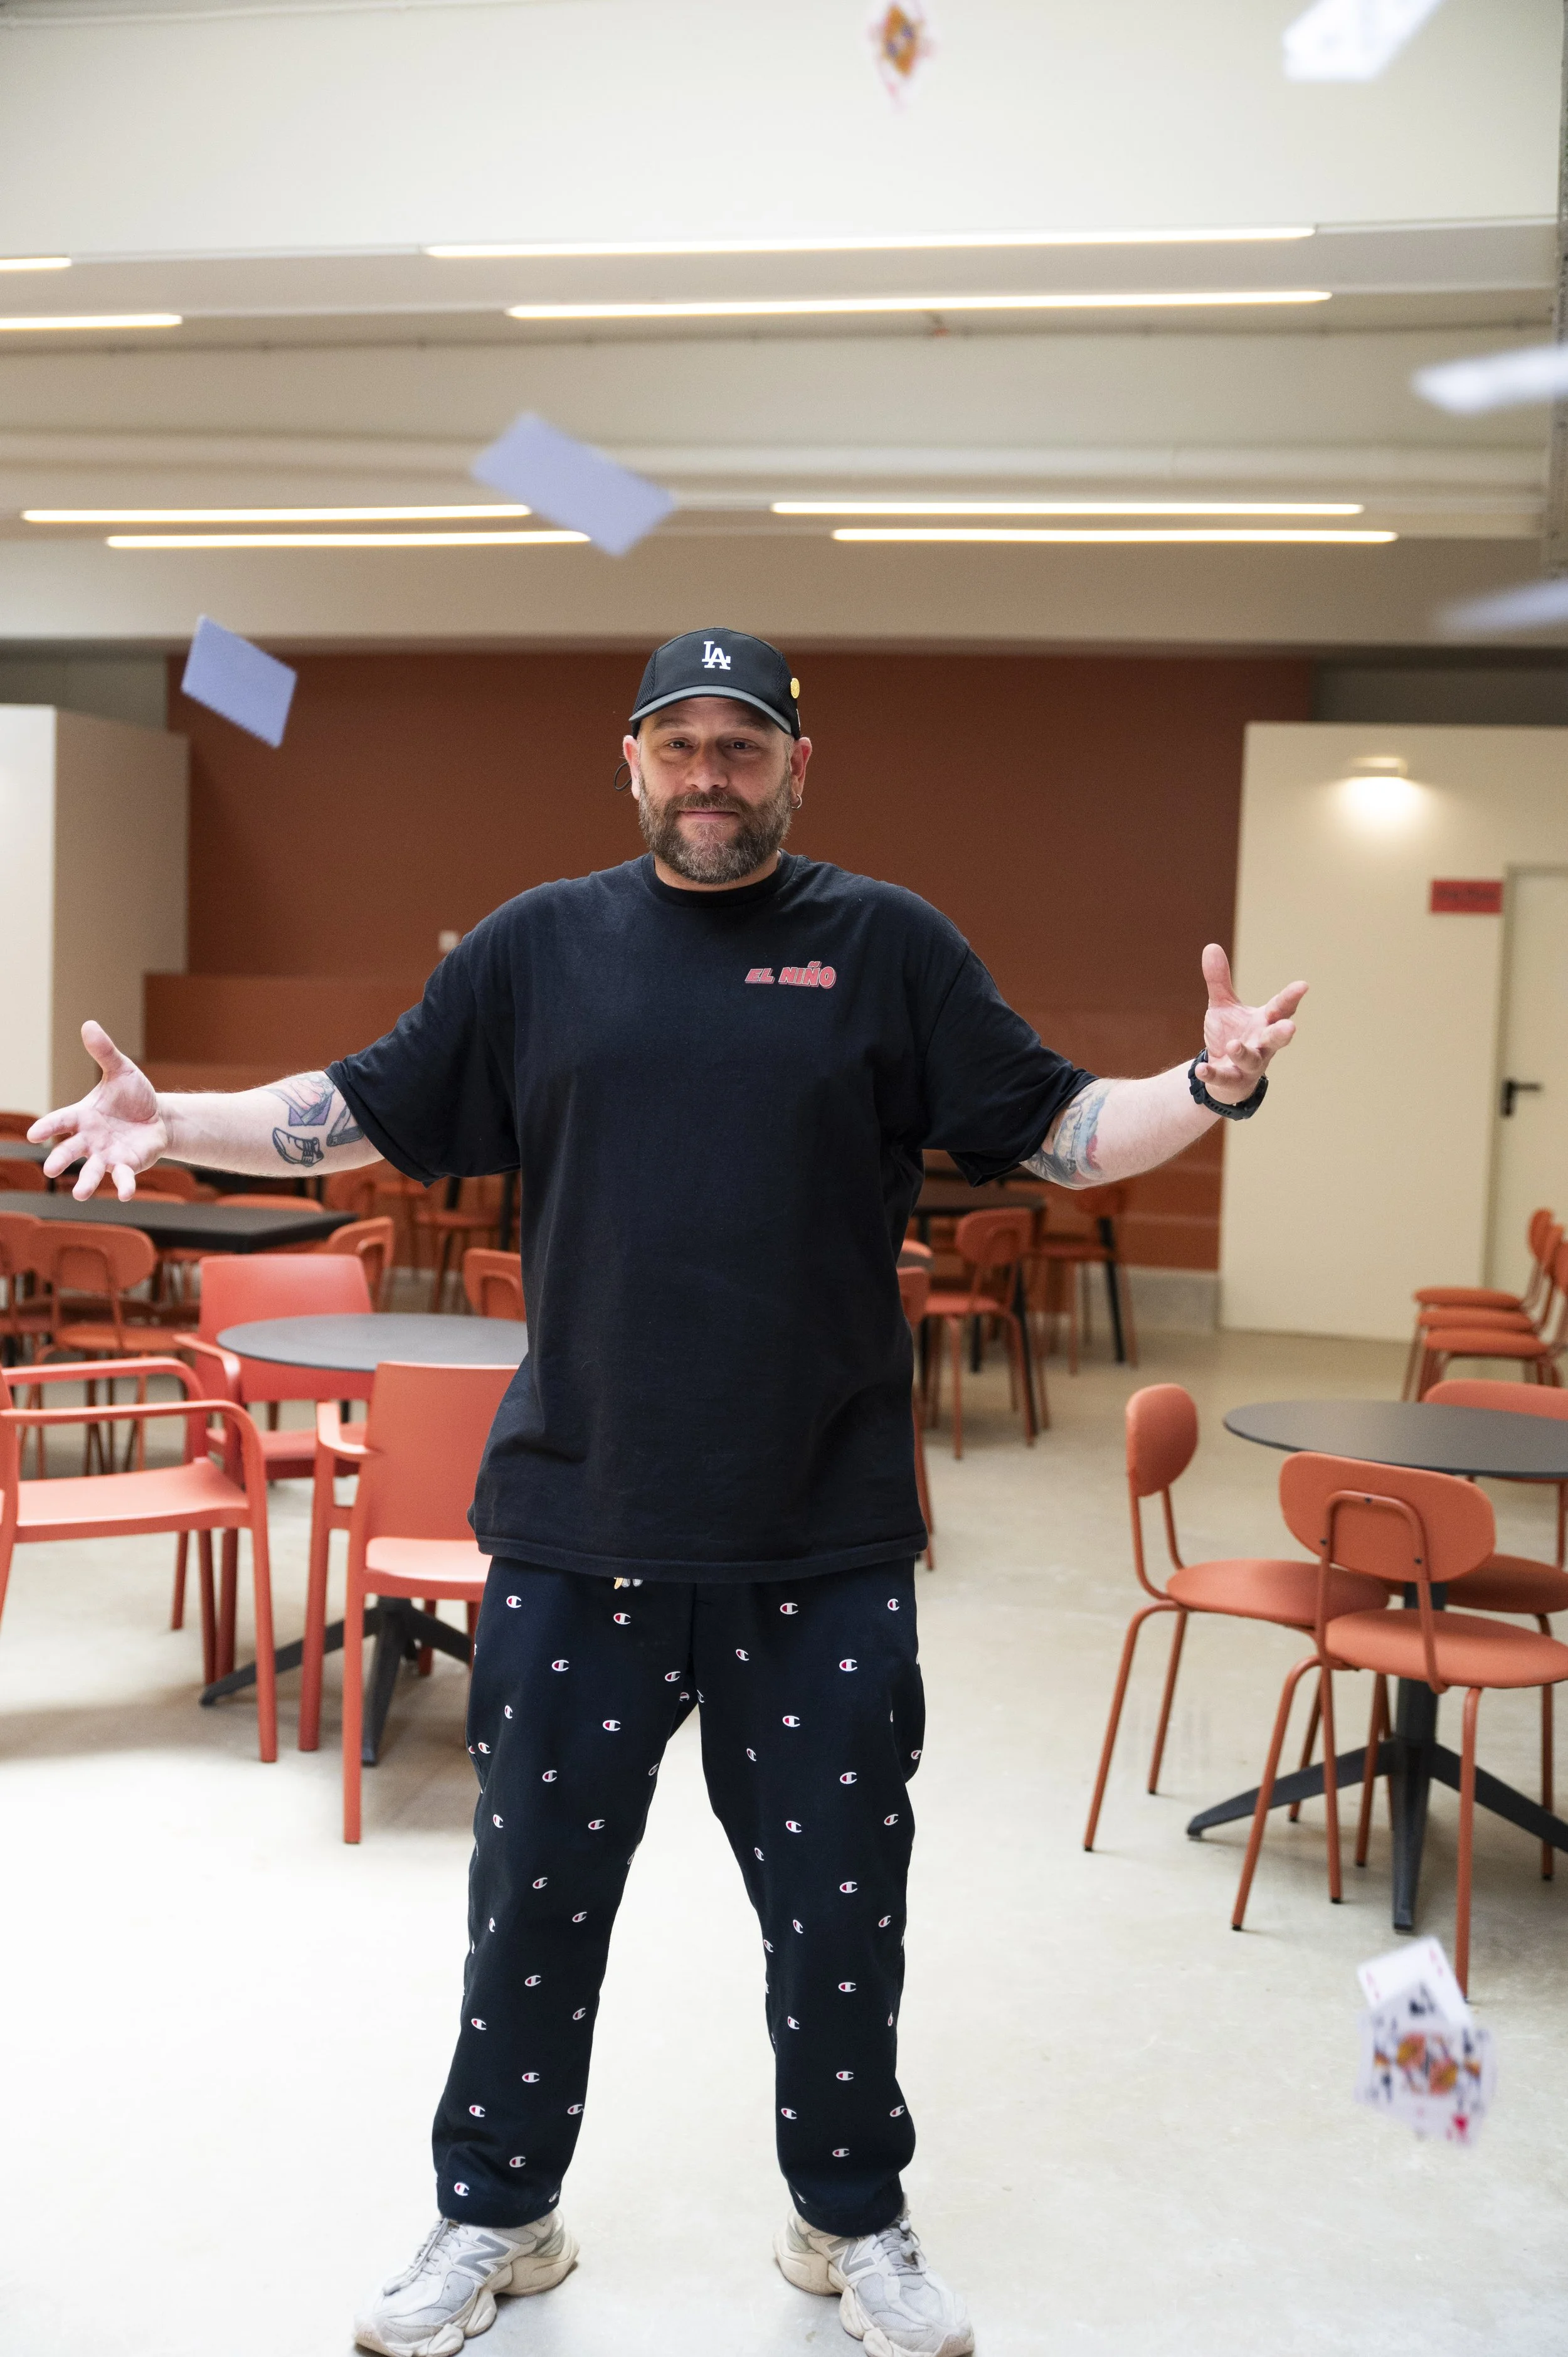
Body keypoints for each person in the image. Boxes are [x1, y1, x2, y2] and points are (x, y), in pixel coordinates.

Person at [33, 627, 1306, 2357]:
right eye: (680, 743)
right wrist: (174, 1109)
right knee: (531, 1906)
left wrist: (1209, 1082)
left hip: (821, 1533)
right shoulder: (538, 947)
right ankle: (498, 2216)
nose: (711, 774)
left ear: (798, 762)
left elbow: (1068, 1129)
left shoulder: (886, 945)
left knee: (840, 1916)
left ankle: (846, 2221)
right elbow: (356, 1109)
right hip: (577, 1528)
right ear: (628, 760)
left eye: (743, 744)